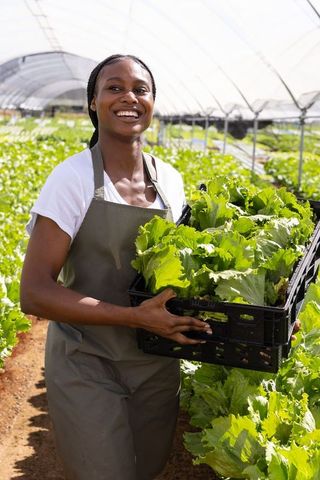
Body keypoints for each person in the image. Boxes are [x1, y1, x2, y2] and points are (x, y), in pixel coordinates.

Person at [20, 54, 212, 480]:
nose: (129, 97)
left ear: (153, 102)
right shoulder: (71, 180)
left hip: (156, 363)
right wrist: (131, 317)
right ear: (93, 103)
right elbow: (33, 292)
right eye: (114, 87)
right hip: (86, 359)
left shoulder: (172, 183)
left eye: (140, 89)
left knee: (147, 469)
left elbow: (189, 281)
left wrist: (266, 313)